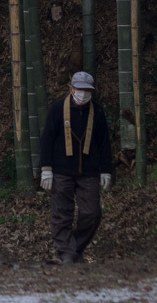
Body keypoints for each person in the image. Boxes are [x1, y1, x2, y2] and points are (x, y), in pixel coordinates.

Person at [39, 70, 113, 264]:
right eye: (79, 90)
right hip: (61, 170)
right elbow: (47, 139)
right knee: (61, 214)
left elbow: (104, 141)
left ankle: (74, 249)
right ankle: (67, 255)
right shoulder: (56, 109)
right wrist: (46, 169)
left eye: (87, 91)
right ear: (71, 89)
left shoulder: (97, 110)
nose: (83, 94)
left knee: (92, 213)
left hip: (89, 171)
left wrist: (106, 170)